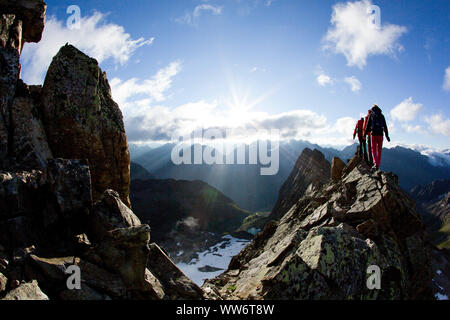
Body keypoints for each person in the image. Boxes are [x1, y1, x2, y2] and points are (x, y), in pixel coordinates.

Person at [364, 105, 390, 170]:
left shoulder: (371, 115)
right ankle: (378, 164)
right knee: (379, 150)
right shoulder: (382, 116)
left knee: (374, 149)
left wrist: (364, 134)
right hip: (381, 135)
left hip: (373, 134)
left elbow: (367, 126)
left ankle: (376, 164)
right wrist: (387, 136)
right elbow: (385, 126)